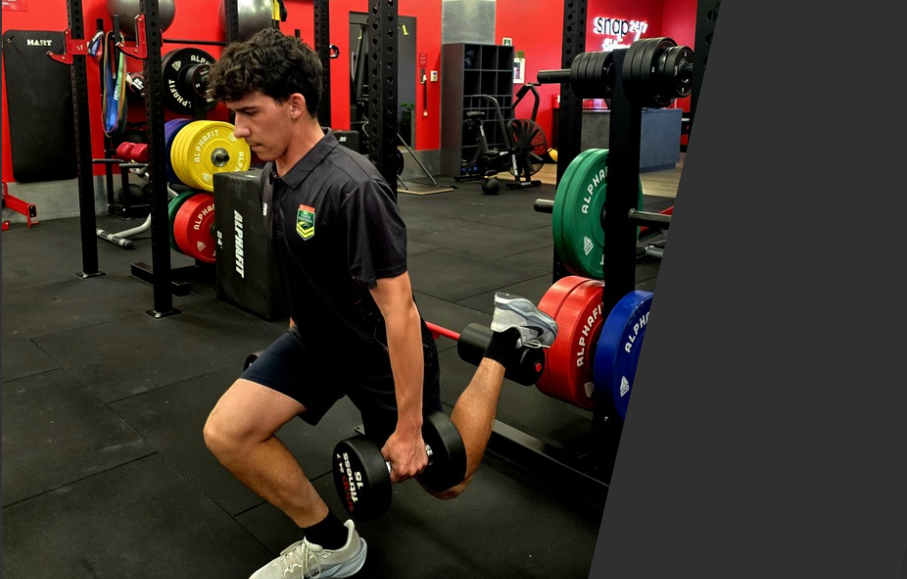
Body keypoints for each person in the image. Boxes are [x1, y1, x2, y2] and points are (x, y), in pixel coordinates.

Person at [202, 28, 558, 579]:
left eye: (248, 112)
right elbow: (305, 257)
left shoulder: (354, 188)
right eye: (235, 114)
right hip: (319, 340)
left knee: (448, 482)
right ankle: (330, 544)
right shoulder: (276, 170)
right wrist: (300, 318)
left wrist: (412, 428)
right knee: (227, 432)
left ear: (295, 106)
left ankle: (504, 344)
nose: (238, 129)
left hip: (378, 355)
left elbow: (401, 314)